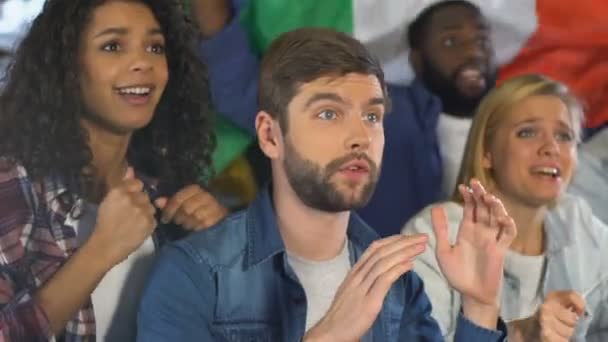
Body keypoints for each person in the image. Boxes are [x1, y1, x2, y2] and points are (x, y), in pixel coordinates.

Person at [137, 27, 515, 341]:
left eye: (372, 115)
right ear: (270, 136)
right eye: (328, 113)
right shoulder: (195, 274)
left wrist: (480, 305)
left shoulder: (397, 282)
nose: (360, 137)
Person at [0, 0, 226, 340]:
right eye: (112, 46)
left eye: (155, 47)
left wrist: (226, 249)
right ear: (67, 67)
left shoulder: (169, 194)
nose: (142, 63)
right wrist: (101, 250)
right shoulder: (12, 186)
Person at [192, 0, 495, 236]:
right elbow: (238, 87)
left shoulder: (523, 119)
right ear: (415, 58)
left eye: (482, 41)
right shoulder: (378, 111)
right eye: (450, 42)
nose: (472, 53)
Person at [403, 74, 608, 341]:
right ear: (487, 151)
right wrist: (523, 333)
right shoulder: (433, 233)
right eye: (528, 132)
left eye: (564, 135)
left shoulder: (580, 221)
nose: (551, 148)